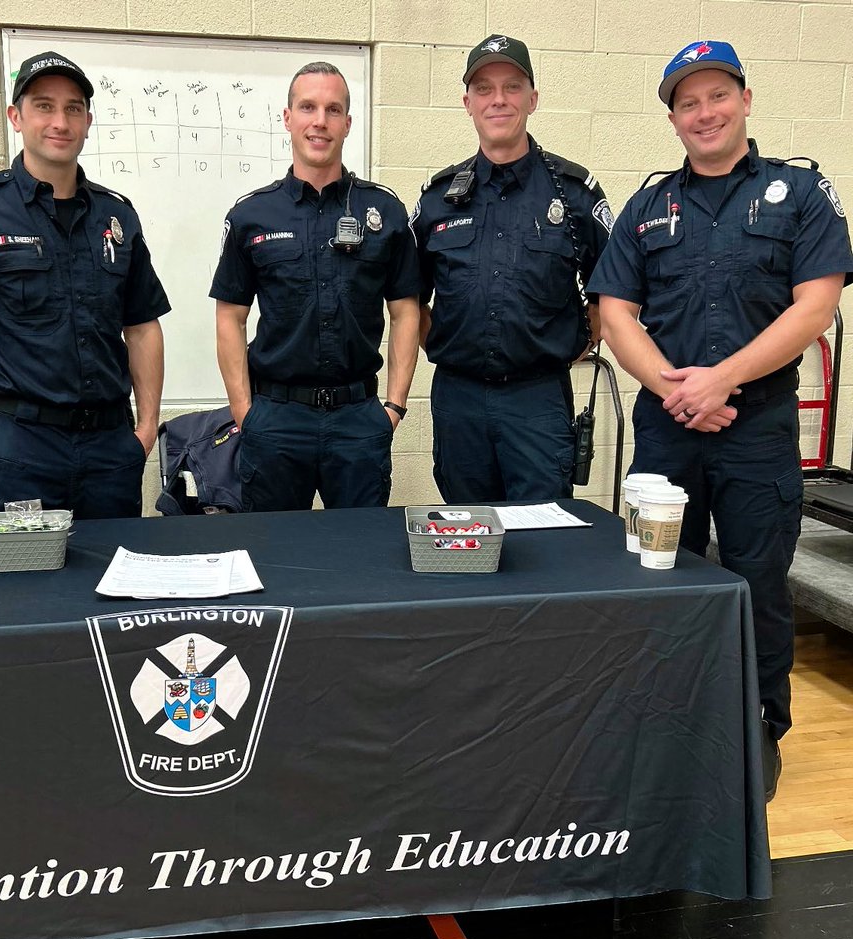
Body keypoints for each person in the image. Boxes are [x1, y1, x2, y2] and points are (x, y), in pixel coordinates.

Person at [588, 40, 853, 800]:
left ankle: (759, 727)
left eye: (716, 96)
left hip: (758, 430)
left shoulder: (799, 194)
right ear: (672, 117)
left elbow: (817, 304)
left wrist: (723, 381)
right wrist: (676, 389)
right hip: (669, 432)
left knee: (756, 583)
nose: (703, 112)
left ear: (744, 99)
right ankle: (661, 719)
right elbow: (615, 311)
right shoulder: (648, 206)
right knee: (654, 578)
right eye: (687, 102)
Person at [0, 51, 170, 519]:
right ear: (16, 117)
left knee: (114, 583)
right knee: (14, 589)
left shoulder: (117, 216)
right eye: (44, 105)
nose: (60, 121)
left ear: (88, 121)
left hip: (110, 448)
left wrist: (147, 427)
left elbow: (143, 325)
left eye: (73, 108)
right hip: (16, 448)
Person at [210, 61, 421, 512]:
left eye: (333, 109)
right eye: (307, 107)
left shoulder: (383, 211)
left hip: (358, 421)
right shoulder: (253, 215)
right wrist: (246, 413)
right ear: (287, 118)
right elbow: (230, 316)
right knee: (275, 560)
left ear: (348, 122)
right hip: (276, 421)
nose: (319, 121)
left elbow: (406, 311)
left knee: (361, 558)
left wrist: (394, 407)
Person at [412, 35, 613, 504]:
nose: (498, 99)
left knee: (544, 541)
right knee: (468, 534)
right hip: (458, 398)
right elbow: (410, 300)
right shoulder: (437, 198)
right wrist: (449, 344)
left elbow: (611, 292)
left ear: (532, 98)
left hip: (537, 398)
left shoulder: (575, 193)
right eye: (483, 88)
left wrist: (573, 346)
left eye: (512, 86)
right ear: (468, 103)